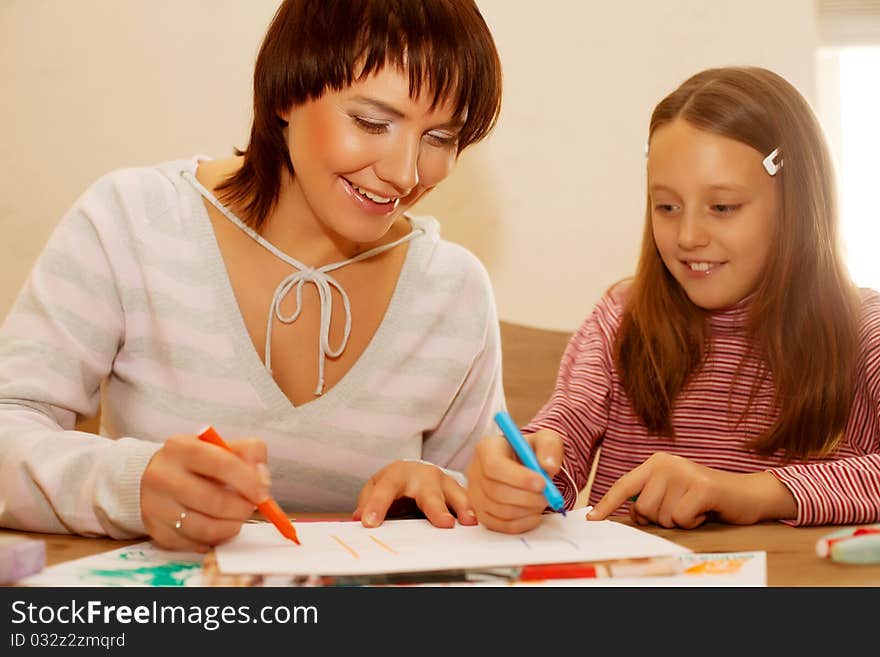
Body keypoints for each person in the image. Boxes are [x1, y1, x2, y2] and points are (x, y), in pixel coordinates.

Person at [0, 0, 505, 551]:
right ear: (286, 93)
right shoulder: (132, 222)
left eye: (440, 138)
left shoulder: (455, 292)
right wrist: (132, 485)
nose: (406, 172)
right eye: (371, 122)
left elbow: (481, 496)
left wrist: (445, 494)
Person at [466, 66, 880, 534]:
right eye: (667, 207)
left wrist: (745, 493)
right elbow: (562, 433)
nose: (687, 237)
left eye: (722, 208)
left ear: (798, 207)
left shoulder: (865, 329)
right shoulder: (620, 319)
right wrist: (517, 478)